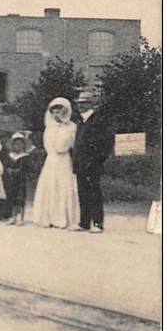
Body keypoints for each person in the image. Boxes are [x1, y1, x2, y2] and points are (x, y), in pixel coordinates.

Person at [32, 98, 80, 229]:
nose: (57, 114)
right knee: (50, 186)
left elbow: (69, 145)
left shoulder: (71, 127)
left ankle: (63, 218)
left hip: (64, 160)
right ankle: (48, 218)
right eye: (54, 111)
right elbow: (47, 145)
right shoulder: (49, 128)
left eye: (60, 110)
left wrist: (62, 146)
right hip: (51, 160)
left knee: (63, 186)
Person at [73, 90, 113, 233]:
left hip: (92, 163)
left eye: (84, 103)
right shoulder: (80, 122)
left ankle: (97, 223)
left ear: (91, 104)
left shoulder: (98, 121)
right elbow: (77, 144)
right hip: (80, 164)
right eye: (79, 103)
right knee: (82, 192)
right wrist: (76, 163)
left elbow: (106, 144)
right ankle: (84, 223)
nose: (81, 106)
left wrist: (97, 161)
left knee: (94, 193)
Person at [0, 132, 35, 224]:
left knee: (21, 198)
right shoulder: (10, 156)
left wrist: (20, 172)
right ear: (12, 145)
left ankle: (21, 218)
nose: (18, 146)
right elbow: (5, 166)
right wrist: (9, 170)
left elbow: (29, 169)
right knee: (11, 197)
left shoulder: (26, 157)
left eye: (20, 144)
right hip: (11, 180)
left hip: (21, 180)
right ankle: (13, 216)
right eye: (16, 144)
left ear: (23, 145)